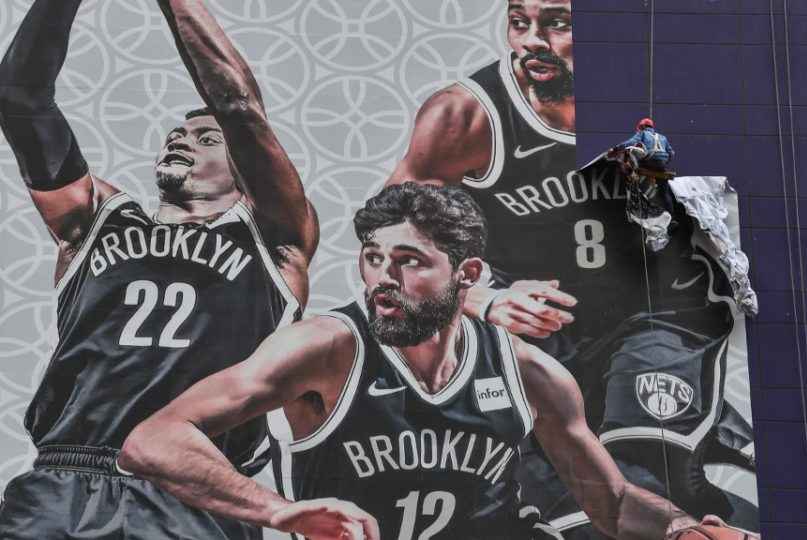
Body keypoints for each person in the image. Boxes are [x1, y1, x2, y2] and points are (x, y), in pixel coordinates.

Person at [114, 183, 762, 540]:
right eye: (373, 258)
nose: (382, 279)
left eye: (409, 261)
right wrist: (275, 509)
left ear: (468, 274)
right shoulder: (326, 349)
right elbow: (152, 439)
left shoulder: (528, 373)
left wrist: (681, 530)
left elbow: (614, 505)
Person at [386, 0, 759, 536]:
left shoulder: (662, 85)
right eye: (519, 22)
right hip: (546, 327)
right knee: (577, 509)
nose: (530, 41)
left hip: (660, 306)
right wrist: (482, 299)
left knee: (641, 469)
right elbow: (391, 241)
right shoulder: (467, 116)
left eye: (557, 24)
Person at [0, 0, 318, 538]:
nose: (181, 138)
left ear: (242, 167)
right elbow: (19, 98)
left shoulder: (274, 236)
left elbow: (237, 106)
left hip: (197, 486)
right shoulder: (97, 222)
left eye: (206, 138)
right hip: (64, 480)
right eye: (177, 133)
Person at [608, 118, 675, 173]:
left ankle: (631, 178)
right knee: (663, 184)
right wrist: (664, 163)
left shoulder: (643, 133)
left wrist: (615, 149)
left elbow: (630, 143)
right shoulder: (663, 137)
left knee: (630, 150)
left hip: (649, 163)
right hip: (662, 165)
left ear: (642, 127)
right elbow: (671, 153)